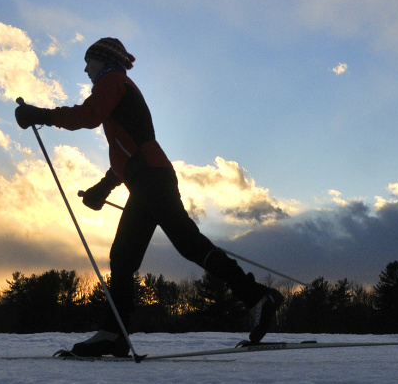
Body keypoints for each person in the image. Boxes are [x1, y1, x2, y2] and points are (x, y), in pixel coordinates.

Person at [15, 37, 283, 357]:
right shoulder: (120, 84)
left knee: (164, 248)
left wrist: (39, 114)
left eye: (90, 61)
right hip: (148, 178)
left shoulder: (113, 80)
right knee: (138, 254)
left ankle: (255, 296)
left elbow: (88, 116)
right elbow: (130, 149)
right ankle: (115, 333)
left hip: (151, 180)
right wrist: (104, 187)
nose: (86, 68)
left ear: (103, 60)